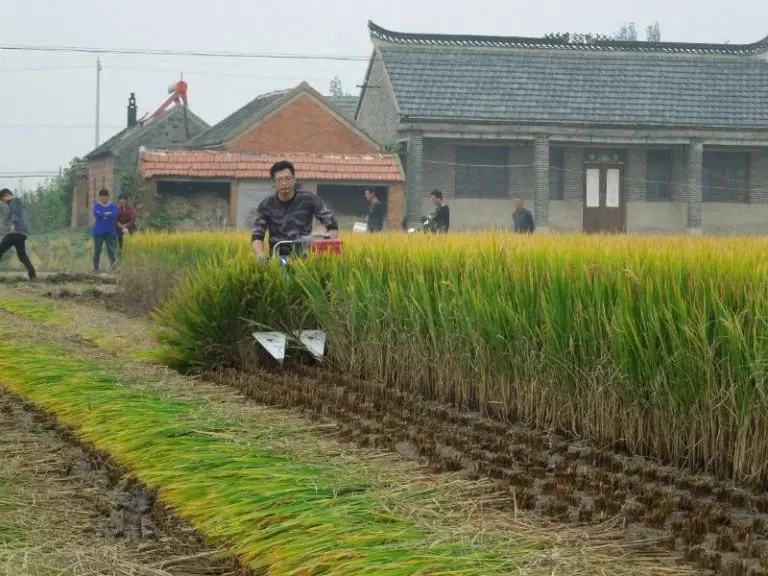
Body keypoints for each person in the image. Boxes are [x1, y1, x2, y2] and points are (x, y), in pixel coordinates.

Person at [251, 160, 339, 260]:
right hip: (277, 257)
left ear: (294, 179)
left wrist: (330, 249)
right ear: (274, 183)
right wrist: (260, 255)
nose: (284, 183)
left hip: (305, 257)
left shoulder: (310, 199)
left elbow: (332, 224)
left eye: (287, 178)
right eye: (279, 180)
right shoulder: (266, 205)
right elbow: (257, 235)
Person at [0, 188, 36, 280]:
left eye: (2, 200)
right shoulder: (15, 203)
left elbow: (15, 213)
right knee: (22, 255)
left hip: (14, 232)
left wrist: (12, 225)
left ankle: (32, 274)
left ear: (6, 196)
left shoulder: (15, 201)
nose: (3, 202)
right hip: (20, 233)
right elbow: (10, 213)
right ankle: (32, 274)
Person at [92, 188, 118, 273]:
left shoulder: (113, 206)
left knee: (111, 250)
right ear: (99, 197)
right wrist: (106, 214)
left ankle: (113, 268)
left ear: (108, 197)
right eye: (102, 197)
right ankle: (96, 268)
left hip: (110, 232)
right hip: (98, 232)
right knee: (97, 250)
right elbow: (97, 215)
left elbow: (114, 215)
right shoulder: (96, 206)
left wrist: (103, 215)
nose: (103, 199)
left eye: (105, 197)